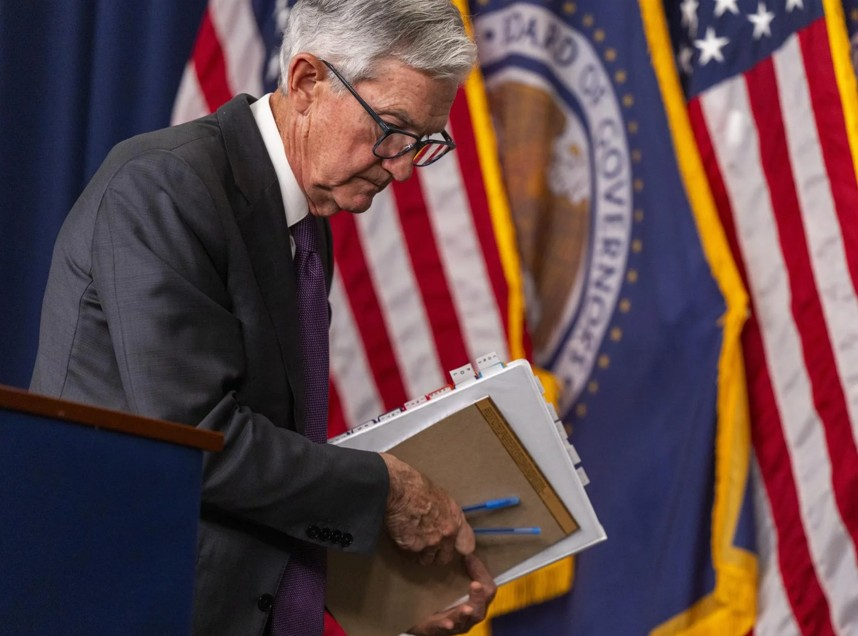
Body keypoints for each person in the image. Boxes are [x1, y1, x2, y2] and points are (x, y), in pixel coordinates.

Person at [29, 0, 496, 634]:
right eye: (392, 129)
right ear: (306, 81)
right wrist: (385, 489)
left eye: (425, 143)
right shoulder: (164, 187)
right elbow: (195, 442)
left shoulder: (303, 220)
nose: (404, 167)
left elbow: (269, 462)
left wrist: (392, 599)